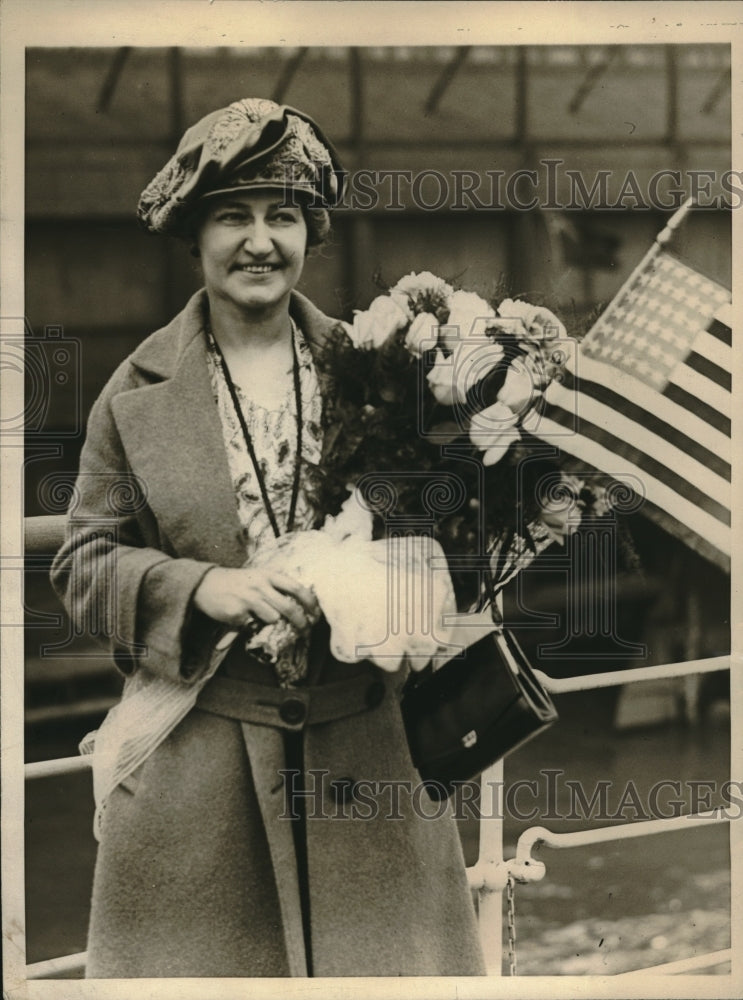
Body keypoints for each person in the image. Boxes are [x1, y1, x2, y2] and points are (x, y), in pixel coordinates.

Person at [51, 97, 486, 978]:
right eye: (232, 217)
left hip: (367, 760)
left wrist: (400, 585)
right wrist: (199, 589)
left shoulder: (378, 367)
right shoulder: (135, 393)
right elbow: (81, 565)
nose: (259, 242)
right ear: (193, 234)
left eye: (282, 217)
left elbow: (452, 547)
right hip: (198, 776)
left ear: (310, 233)